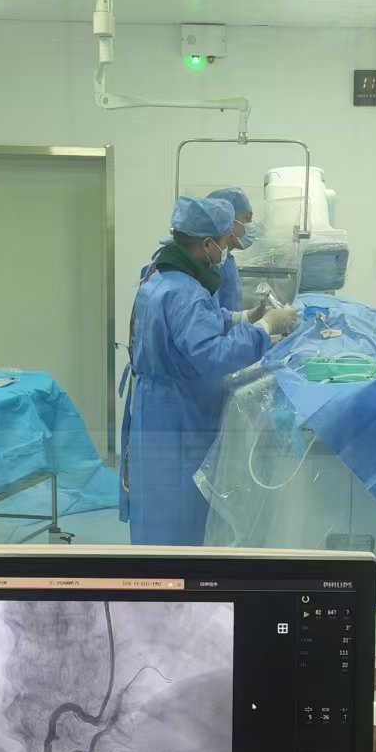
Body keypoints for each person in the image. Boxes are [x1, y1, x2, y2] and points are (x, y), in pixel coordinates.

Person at [120, 196, 297, 545]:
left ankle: (153, 567)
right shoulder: (185, 292)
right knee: (179, 511)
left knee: (153, 504)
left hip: (155, 407)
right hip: (179, 416)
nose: (227, 248)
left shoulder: (161, 278)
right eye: (225, 241)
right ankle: (177, 575)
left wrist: (245, 317)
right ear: (206, 244)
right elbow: (212, 355)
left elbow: (198, 325)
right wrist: (265, 328)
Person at [206, 186, 257, 313]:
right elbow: (214, 319)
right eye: (247, 218)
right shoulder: (215, 264)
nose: (251, 224)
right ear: (228, 221)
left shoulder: (225, 260)